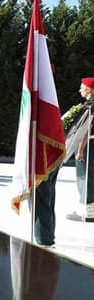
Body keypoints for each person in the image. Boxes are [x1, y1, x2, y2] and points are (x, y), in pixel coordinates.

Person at [73, 77, 94, 222]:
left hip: (88, 145)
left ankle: (89, 211)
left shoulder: (91, 105)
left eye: (82, 87)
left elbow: (88, 127)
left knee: (86, 176)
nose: (80, 90)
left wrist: (80, 148)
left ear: (89, 89)